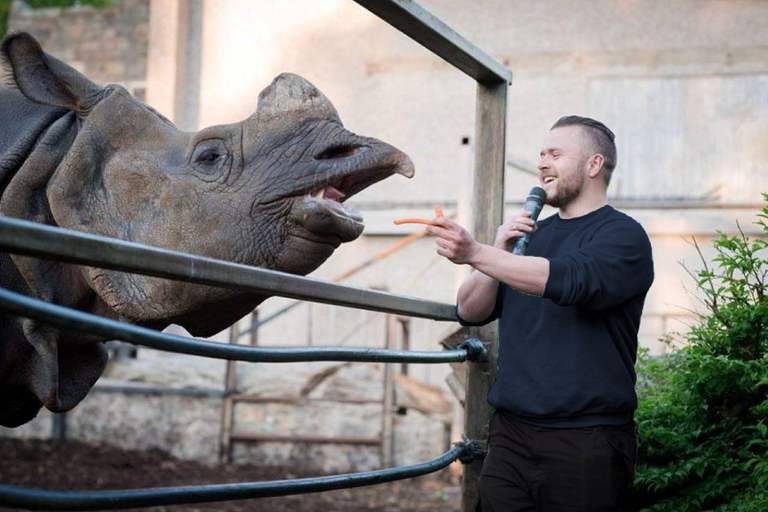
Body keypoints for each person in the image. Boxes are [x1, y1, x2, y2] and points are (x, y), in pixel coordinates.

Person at [427, 116, 654, 511]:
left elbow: (570, 280)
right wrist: (497, 248)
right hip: (511, 438)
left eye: (555, 154)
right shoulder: (530, 238)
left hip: (586, 441)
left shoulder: (623, 236)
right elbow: (470, 309)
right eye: (541, 155)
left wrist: (477, 252)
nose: (542, 164)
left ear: (594, 165)